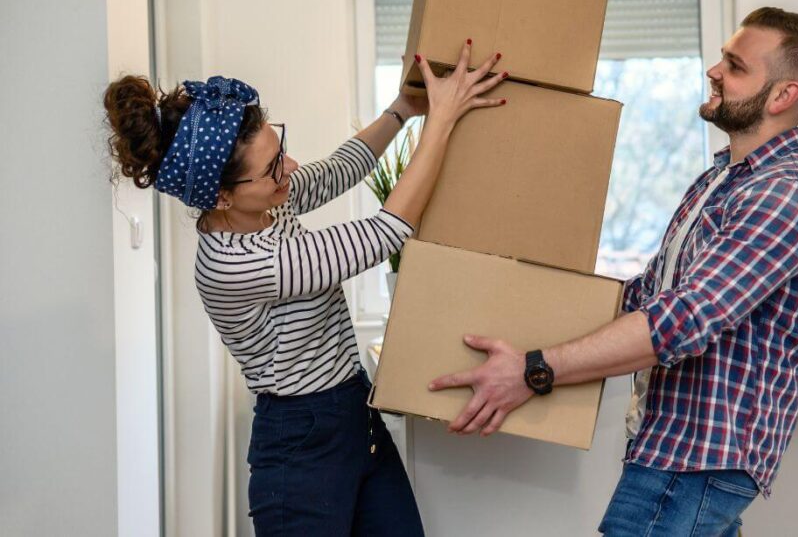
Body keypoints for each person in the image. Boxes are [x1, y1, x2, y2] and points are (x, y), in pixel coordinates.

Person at [429, 8, 798, 536]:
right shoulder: (722, 181)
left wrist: (535, 369)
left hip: (699, 457)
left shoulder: (787, 194)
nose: (714, 70)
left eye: (735, 66)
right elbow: (647, 295)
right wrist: (520, 297)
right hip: (674, 443)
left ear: (783, 96)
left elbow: (683, 319)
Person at [103, 40, 505, 536]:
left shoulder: (270, 203)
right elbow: (382, 234)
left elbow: (340, 169)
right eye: (272, 168)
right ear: (224, 196)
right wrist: (441, 122)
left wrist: (404, 109)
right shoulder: (236, 263)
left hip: (355, 413)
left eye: (281, 151)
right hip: (301, 444)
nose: (289, 170)